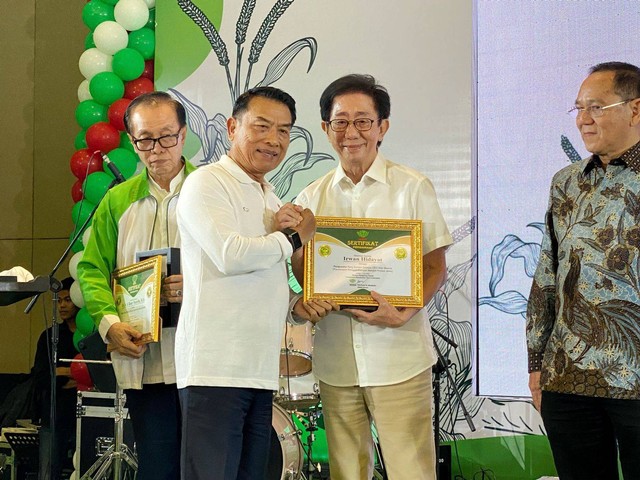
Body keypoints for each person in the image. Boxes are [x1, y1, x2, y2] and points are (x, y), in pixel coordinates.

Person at [291, 74, 453, 479]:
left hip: (400, 358)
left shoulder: (412, 187)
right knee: (348, 472)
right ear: (326, 129)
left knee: (411, 471)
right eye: (340, 121)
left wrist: (404, 311)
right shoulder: (311, 197)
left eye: (363, 120)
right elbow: (304, 272)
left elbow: (434, 267)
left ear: (383, 126)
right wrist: (302, 270)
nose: (352, 132)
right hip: (336, 362)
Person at [175, 86, 326, 479]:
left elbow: (266, 274)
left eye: (284, 131)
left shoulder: (272, 197)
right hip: (214, 370)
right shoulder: (207, 183)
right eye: (261, 127)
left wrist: (296, 305)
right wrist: (296, 238)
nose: (273, 140)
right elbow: (230, 254)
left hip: (258, 372)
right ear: (231, 127)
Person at [527, 62, 640, 479]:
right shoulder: (567, 182)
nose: (583, 119)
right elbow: (546, 275)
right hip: (568, 377)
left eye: (595, 106)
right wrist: (536, 363)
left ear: (635, 109)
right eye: (577, 108)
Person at [77, 91, 196, 480]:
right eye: (145, 139)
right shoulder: (116, 201)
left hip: (205, 360)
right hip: (143, 359)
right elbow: (93, 270)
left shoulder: (212, 192)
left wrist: (195, 285)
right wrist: (110, 323)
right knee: (157, 467)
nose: (156, 149)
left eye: (166, 137)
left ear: (183, 135)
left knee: (207, 467)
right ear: (132, 141)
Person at [32, 277, 79, 480]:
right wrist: (74, 373)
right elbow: (41, 377)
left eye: (68, 299)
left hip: (84, 414)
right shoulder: (49, 336)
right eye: (58, 301)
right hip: (54, 412)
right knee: (47, 472)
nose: (62, 305)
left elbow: (97, 375)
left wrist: (62, 371)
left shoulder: (91, 334)